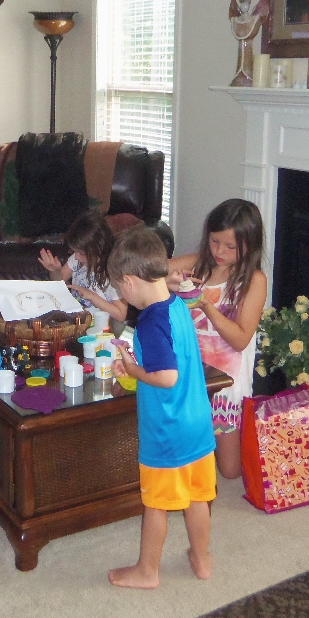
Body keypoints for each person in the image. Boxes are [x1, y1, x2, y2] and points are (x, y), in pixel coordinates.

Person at [106, 227, 216, 589]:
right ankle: (201, 559)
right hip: (198, 423)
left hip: (168, 430)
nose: (122, 297)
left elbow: (166, 377)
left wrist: (133, 369)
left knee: (156, 503)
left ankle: (147, 570)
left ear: (129, 281)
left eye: (120, 289)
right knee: (197, 497)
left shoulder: (150, 323)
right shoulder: (177, 304)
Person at [168, 199, 267, 479]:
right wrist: (166, 282)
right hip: (186, 372)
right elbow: (143, 276)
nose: (219, 251)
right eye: (214, 241)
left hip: (224, 384)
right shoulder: (196, 264)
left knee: (230, 472)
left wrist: (205, 305)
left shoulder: (254, 280)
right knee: (182, 456)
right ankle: (196, 444)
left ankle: (215, 439)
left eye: (230, 247)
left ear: (249, 245)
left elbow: (240, 340)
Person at [38, 211, 128, 322]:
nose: (76, 256)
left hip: (101, 326)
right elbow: (58, 283)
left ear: (99, 249)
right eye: (75, 251)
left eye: (82, 253)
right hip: (77, 320)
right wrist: (55, 271)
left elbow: (121, 315)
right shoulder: (76, 259)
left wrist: (92, 296)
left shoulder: (112, 273)